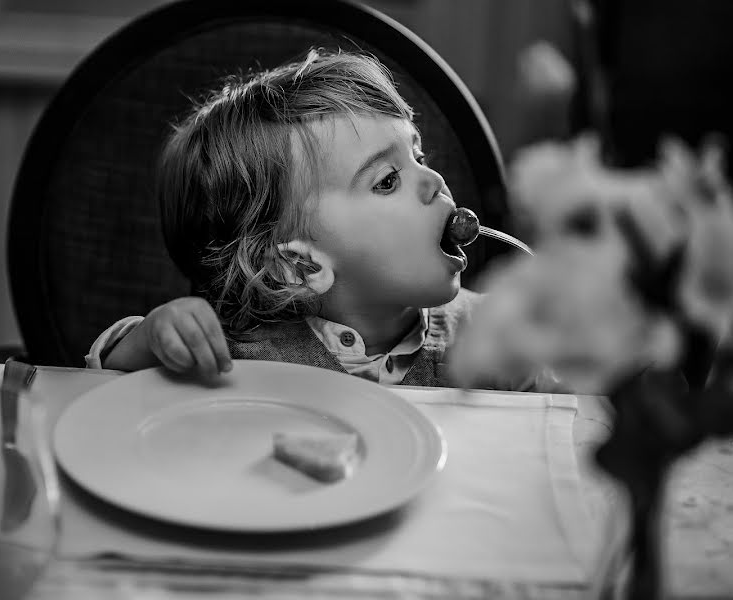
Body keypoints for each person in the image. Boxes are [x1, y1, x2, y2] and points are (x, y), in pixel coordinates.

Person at [86, 49, 553, 390]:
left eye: (418, 155)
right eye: (387, 180)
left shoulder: (494, 338)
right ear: (302, 266)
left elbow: (573, 426)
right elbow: (105, 382)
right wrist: (153, 339)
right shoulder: (240, 353)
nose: (432, 179)